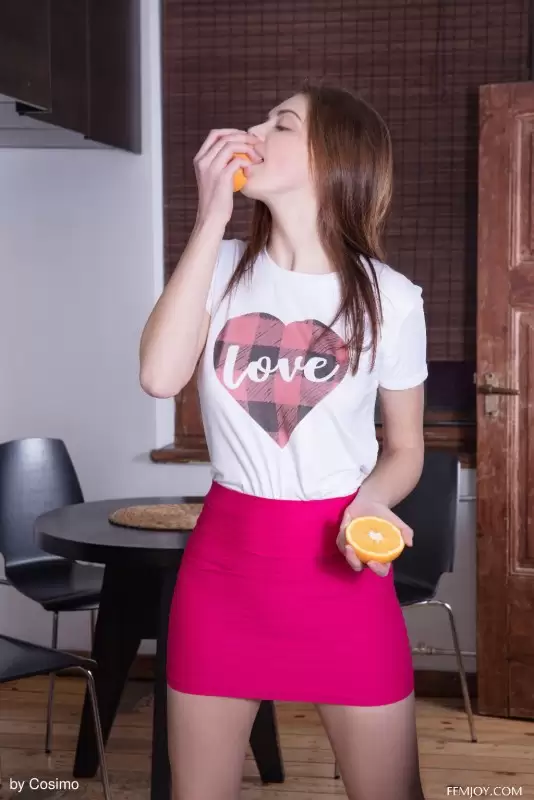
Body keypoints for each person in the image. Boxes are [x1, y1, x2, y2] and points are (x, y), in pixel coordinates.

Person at [139, 81, 428, 800]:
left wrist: (370, 503)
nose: (255, 130)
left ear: (333, 157)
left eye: (282, 123)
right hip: (224, 571)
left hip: (343, 572)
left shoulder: (392, 298)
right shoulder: (220, 267)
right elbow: (158, 376)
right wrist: (210, 217)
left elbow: (405, 449)